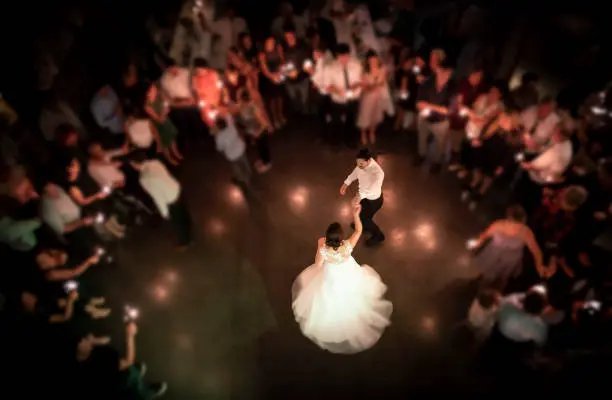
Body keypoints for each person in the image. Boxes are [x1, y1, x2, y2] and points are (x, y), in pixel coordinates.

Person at [291, 202, 393, 354]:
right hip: (347, 269)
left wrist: (322, 261)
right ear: (341, 237)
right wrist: (356, 214)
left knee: (329, 292)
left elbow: (318, 265)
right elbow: (359, 229)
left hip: (331, 273)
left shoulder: (322, 245)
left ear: (328, 236)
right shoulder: (347, 245)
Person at [470, 205, 544, 292]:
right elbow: (484, 236)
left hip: (508, 261)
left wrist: (539, 265)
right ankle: (477, 282)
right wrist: (477, 243)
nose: (514, 227)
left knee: (502, 278)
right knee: (486, 269)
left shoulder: (525, 232)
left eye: (517, 225)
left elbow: (536, 252)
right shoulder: (498, 225)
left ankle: (495, 292)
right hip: (494, 255)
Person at [131, 152, 192, 250]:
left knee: (178, 224)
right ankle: (189, 228)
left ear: (134, 164)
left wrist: (165, 213)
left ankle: (185, 242)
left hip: (171, 199)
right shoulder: (155, 162)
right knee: (184, 213)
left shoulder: (144, 179)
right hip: (176, 188)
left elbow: (157, 196)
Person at [415, 58, 455, 173]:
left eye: (448, 74)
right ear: (437, 70)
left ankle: (436, 163)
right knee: (422, 139)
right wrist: (435, 108)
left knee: (439, 144)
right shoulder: (427, 83)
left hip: (441, 122)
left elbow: (447, 110)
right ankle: (421, 156)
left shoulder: (452, 87)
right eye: (443, 72)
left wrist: (429, 106)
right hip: (424, 119)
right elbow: (419, 103)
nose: (445, 76)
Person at [339, 149, 385, 246]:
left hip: (374, 201)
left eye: (361, 163)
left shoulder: (378, 173)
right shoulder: (361, 164)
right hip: (364, 197)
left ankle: (379, 236)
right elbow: (355, 173)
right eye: (357, 163)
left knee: (365, 218)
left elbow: (373, 189)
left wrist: (359, 196)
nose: (358, 165)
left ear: (368, 161)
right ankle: (363, 225)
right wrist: (346, 183)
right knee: (362, 215)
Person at [322, 43, 363, 148]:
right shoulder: (330, 67)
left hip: (353, 98)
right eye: (340, 57)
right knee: (336, 121)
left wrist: (356, 85)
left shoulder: (357, 65)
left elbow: (361, 81)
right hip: (337, 100)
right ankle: (335, 142)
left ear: (349, 55)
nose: (343, 59)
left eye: (345, 56)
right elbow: (327, 85)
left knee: (351, 120)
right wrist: (337, 90)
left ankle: (350, 140)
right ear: (337, 55)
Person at [356, 50, 393, 145]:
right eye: (371, 60)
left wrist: (375, 85)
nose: (373, 62)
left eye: (375, 59)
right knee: (365, 115)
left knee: (375, 116)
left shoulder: (382, 69)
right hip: (367, 97)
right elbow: (366, 86)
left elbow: (382, 82)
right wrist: (373, 86)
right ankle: (363, 134)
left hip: (378, 97)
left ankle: (372, 133)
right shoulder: (364, 71)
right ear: (368, 61)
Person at [144, 81, 182, 165]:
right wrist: (164, 112)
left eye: (154, 88)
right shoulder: (148, 106)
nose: (155, 90)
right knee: (165, 144)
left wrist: (167, 105)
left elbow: (166, 102)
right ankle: (170, 159)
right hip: (159, 126)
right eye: (152, 90)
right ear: (148, 93)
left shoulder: (158, 96)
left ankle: (176, 153)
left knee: (172, 139)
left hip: (166, 122)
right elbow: (159, 120)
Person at [211, 115, 252, 186]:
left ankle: (242, 178)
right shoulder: (232, 127)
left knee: (237, 167)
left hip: (232, 155)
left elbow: (219, 148)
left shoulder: (219, 137)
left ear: (218, 127)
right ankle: (249, 173)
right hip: (241, 149)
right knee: (245, 162)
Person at [237, 91, 272, 172]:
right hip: (253, 132)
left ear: (243, 99)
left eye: (239, 98)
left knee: (263, 148)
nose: (238, 99)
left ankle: (267, 163)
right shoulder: (242, 106)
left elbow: (263, 122)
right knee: (259, 148)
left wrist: (258, 133)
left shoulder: (253, 107)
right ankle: (262, 160)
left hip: (260, 132)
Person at [258, 35, 286, 129]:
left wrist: (280, 72)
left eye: (273, 42)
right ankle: (275, 118)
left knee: (280, 97)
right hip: (270, 79)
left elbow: (282, 62)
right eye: (269, 42)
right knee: (273, 99)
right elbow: (265, 70)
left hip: (279, 76)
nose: (271, 44)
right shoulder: (263, 54)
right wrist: (273, 77)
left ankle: (281, 115)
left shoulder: (277, 50)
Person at [282, 28, 310, 115]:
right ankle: (297, 115)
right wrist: (286, 72)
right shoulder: (283, 49)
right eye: (286, 37)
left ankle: (306, 117)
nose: (288, 39)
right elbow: (282, 63)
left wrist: (298, 71)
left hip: (302, 78)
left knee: (304, 100)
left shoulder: (303, 48)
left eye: (290, 36)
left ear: (294, 36)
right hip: (290, 80)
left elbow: (308, 62)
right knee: (294, 99)